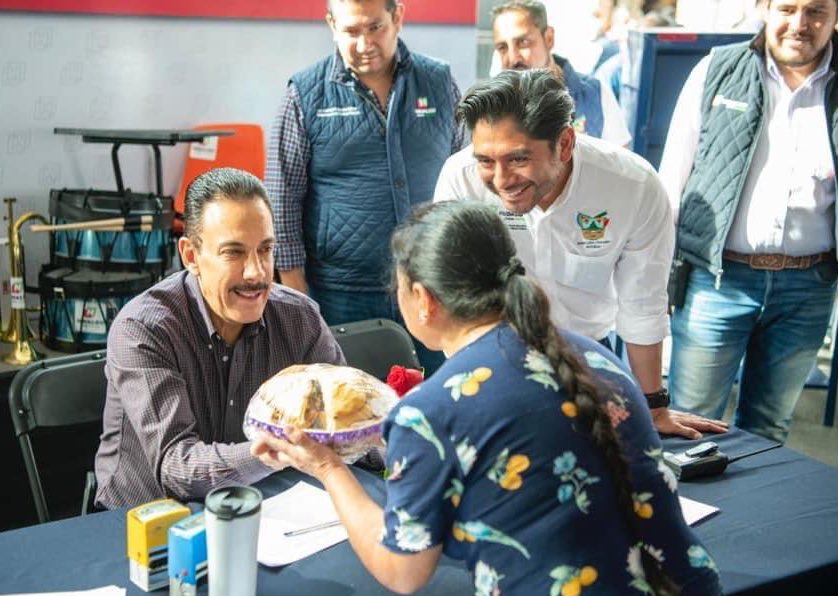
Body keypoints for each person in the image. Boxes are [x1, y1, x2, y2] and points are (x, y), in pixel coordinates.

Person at [251, 200, 734, 596]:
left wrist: (329, 469)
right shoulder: (594, 356)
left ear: (423, 299)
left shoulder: (430, 411)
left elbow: (404, 571)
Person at [435, 69, 727, 440]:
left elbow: (643, 303)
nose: (501, 180)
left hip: (586, 357)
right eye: (486, 161)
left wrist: (654, 406)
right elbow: (453, 294)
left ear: (566, 143)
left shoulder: (633, 186)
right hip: (489, 358)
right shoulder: (460, 179)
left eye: (518, 160)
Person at [94, 168, 345, 509]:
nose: (257, 272)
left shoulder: (300, 317)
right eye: (234, 253)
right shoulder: (143, 328)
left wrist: (396, 426)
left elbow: (343, 418)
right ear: (191, 256)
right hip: (147, 519)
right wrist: (278, 449)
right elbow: (177, 466)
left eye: (265, 250)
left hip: (268, 508)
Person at [659, 0, 838, 443]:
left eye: (816, 11)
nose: (800, 24)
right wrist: (659, 276)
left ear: (837, 14)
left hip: (808, 288)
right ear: (764, 9)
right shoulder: (717, 70)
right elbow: (672, 181)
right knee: (690, 423)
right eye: (787, 8)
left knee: (767, 430)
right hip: (717, 283)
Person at [265, 0, 464, 373]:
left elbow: (465, 175)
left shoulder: (439, 82)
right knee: (350, 415)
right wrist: (297, 297)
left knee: (438, 407)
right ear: (332, 26)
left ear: (398, 17)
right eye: (351, 31)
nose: (364, 42)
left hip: (432, 284)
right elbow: (282, 198)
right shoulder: (305, 93)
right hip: (342, 292)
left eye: (375, 27)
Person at [490, 0, 631, 147]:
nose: (513, 59)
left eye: (523, 42)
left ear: (549, 38)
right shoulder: (492, 107)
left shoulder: (595, 95)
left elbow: (623, 165)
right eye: (502, 47)